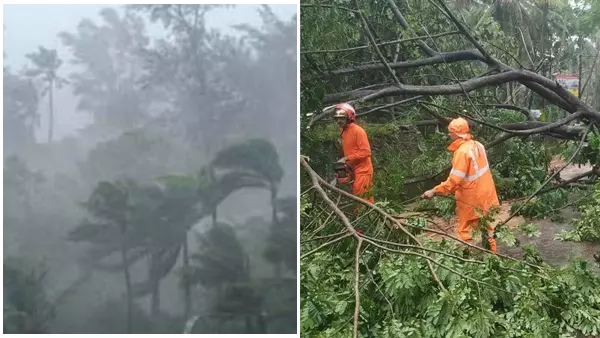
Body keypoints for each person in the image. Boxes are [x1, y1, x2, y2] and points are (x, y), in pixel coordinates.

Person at [421, 117, 500, 252]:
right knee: (488, 226)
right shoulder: (478, 145)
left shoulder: (462, 152)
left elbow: (454, 180)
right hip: (487, 193)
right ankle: (493, 255)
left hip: (472, 198)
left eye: (450, 132)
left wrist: (434, 191)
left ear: (457, 134)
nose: (449, 134)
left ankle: (467, 258)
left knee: (465, 229)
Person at [332, 103, 374, 205]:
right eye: (337, 118)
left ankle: (366, 219)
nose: (339, 121)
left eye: (341, 118)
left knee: (363, 199)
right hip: (353, 168)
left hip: (363, 170)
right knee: (356, 197)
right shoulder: (343, 132)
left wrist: (346, 158)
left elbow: (366, 152)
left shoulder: (358, 131)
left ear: (349, 117)